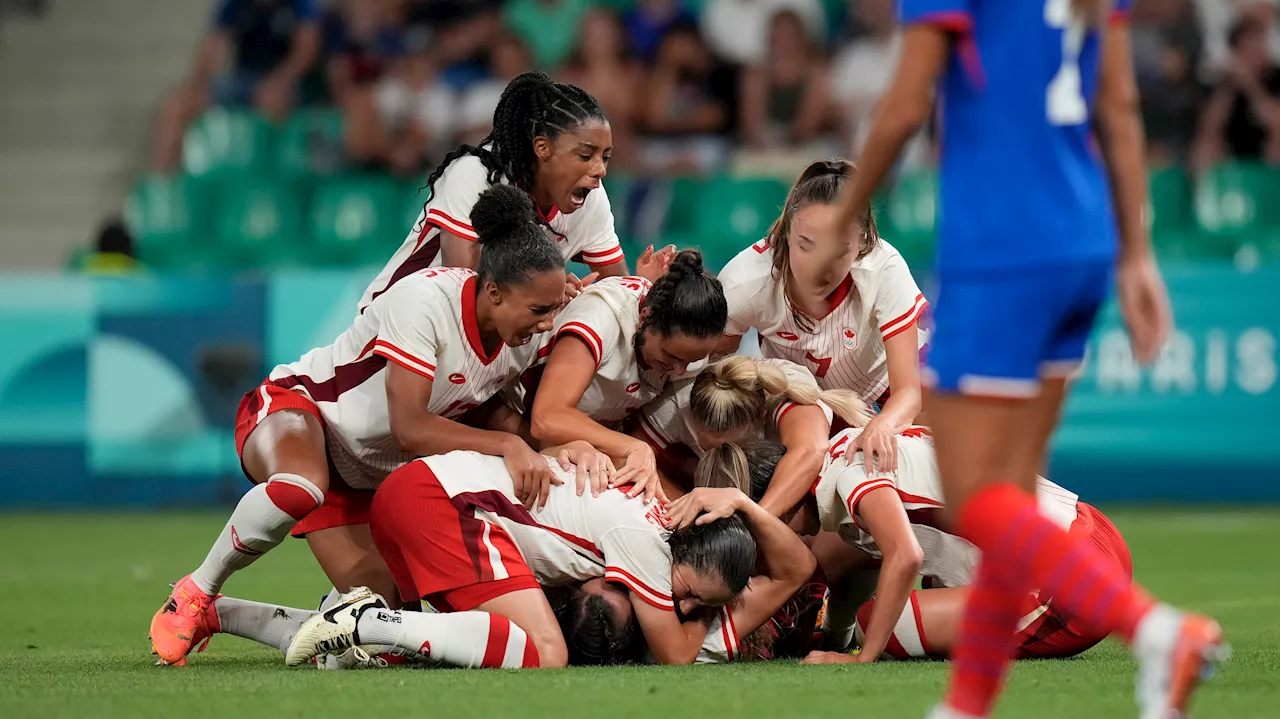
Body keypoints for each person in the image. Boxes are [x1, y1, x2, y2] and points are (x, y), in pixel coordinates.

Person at [822, 0, 1222, 715]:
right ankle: (967, 703)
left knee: (979, 493)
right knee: (1011, 494)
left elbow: (908, 102)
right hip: (1084, 239)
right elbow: (1121, 108)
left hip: (1002, 249)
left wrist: (848, 209)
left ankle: (1158, 629)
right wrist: (1135, 256)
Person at [149, 185, 570, 666]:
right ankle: (197, 591)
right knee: (298, 488)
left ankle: (223, 616)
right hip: (304, 412)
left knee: (379, 632)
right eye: (539, 310)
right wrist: (508, 445)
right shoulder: (425, 301)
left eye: (553, 309)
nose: (546, 323)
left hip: (371, 475)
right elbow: (410, 427)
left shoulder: (526, 335)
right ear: (493, 291)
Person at [286, 446, 779, 667]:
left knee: (419, 657)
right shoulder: (647, 541)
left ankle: (228, 614)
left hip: (416, 490)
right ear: (684, 546)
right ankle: (369, 620)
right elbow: (676, 655)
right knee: (545, 654)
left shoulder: (651, 512)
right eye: (691, 593)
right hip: (445, 504)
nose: (685, 607)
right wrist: (705, 618)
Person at [360, 71, 674, 315]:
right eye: (585, 155)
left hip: (490, 354)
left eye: (604, 157)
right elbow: (462, 290)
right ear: (543, 147)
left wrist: (643, 288)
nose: (600, 170)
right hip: (397, 328)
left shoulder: (590, 195)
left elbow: (617, 294)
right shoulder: (476, 174)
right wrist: (544, 290)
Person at [716, 159, 928, 475]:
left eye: (838, 251)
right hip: (806, 399)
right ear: (786, 233)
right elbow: (709, 367)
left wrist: (883, 423)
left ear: (861, 244)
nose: (819, 267)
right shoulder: (746, 280)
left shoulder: (883, 268)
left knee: (942, 466)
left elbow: (909, 392)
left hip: (887, 387)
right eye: (806, 246)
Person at [552, 445, 820, 666]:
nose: (682, 606)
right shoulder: (705, 637)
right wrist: (742, 502)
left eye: (622, 581)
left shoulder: (639, 544)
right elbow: (799, 568)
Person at [530, 250, 727, 501]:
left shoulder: (686, 346)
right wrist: (632, 446)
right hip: (516, 422)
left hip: (594, 438)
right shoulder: (601, 317)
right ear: (646, 317)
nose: (679, 370)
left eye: (691, 361)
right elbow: (546, 417)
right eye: (672, 356)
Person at [635, 355, 871, 513]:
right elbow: (631, 453)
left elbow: (810, 452)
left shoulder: (785, 391)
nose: (715, 450)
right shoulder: (677, 402)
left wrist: (752, 522)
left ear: (760, 417)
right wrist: (681, 506)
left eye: (730, 446)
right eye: (707, 445)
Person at [152, 0, 321, 173]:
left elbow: (306, 50)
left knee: (272, 102)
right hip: (242, 80)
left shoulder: (301, 4)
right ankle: (163, 182)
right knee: (177, 105)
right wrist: (198, 85)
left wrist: (280, 81)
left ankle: (265, 180)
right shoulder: (233, 4)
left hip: (286, 81)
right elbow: (213, 46)